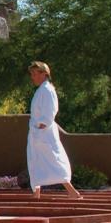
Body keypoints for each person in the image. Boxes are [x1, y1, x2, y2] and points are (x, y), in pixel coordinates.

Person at [27, 61, 80, 199]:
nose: (32, 77)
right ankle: (36, 193)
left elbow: (50, 112)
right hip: (37, 133)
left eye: (34, 74)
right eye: (31, 74)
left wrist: (41, 126)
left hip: (44, 134)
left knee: (54, 161)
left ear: (43, 74)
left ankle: (72, 192)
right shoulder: (41, 90)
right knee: (36, 161)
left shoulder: (47, 90)